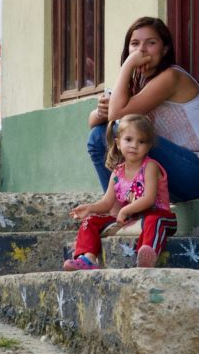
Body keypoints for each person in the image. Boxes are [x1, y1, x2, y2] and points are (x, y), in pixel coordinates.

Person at [87, 17, 199, 201]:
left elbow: (118, 115)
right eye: (134, 44)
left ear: (165, 49)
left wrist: (128, 65)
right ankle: (115, 209)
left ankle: (119, 207)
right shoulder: (139, 83)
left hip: (198, 174)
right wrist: (100, 112)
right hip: (168, 179)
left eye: (151, 43)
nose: (141, 50)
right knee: (98, 135)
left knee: (120, 131)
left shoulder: (172, 77)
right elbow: (96, 122)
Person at [65, 114, 177, 270]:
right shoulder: (117, 173)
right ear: (118, 143)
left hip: (160, 217)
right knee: (90, 221)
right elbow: (107, 202)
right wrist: (90, 208)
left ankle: (147, 253)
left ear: (149, 146)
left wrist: (125, 210)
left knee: (154, 220)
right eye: (129, 140)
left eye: (141, 141)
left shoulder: (150, 166)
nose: (134, 145)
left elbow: (149, 199)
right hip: (132, 220)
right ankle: (88, 259)